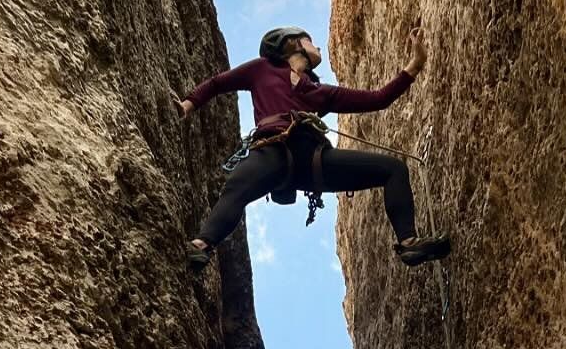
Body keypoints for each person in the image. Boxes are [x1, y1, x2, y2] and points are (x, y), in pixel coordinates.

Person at [175, 25, 451, 269]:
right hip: (273, 148)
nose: (317, 47)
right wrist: (188, 104)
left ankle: (409, 242)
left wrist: (414, 65)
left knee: (393, 169)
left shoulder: (319, 91)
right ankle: (202, 244)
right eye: (310, 41)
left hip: (313, 158)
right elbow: (218, 83)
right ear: (292, 43)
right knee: (237, 186)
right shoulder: (263, 69)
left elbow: (378, 99)